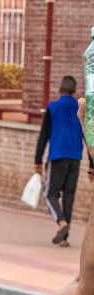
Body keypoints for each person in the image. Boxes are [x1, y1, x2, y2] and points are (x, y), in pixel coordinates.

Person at [35, 74, 90, 247]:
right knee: (69, 196)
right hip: (75, 157)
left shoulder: (52, 107)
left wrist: (37, 160)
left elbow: (43, 136)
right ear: (74, 91)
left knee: (50, 193)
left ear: (60, 89)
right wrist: (92, 166)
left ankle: (61, 222)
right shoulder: (80, 109)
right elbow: (88, 138)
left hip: (57, 155)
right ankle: (65, 238)